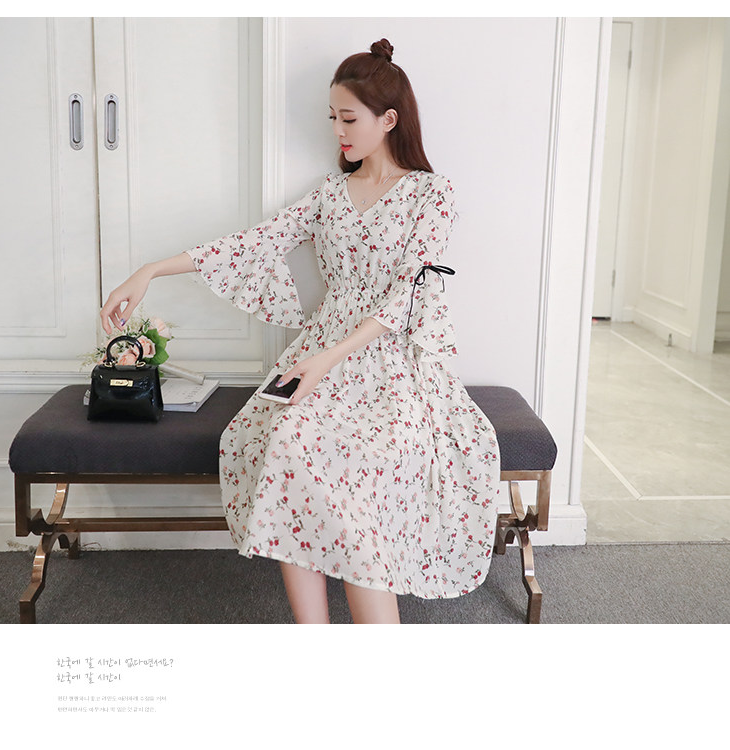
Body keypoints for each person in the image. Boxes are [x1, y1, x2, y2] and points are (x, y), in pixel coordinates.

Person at [100, 38, 501, 624]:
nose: (337, 131)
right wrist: (151, 270)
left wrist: (328, 358)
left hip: (392, 362)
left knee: (369, 464)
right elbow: (254, 242)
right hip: (320, 351)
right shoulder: (330, 194)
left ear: (389, 120)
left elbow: (410, 295)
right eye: (332, 117)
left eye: (349, 118)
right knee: (287, 441)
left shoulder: (431, 195)